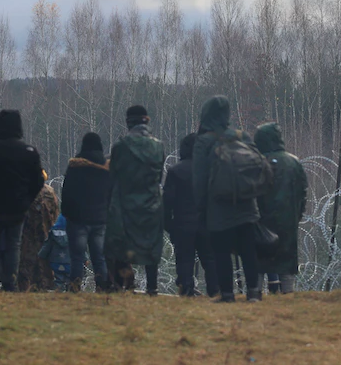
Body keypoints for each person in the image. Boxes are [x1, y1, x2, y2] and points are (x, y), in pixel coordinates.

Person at [193, 95, 263, 302]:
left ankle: (227, 294)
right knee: (249, 250)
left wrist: (201, 209)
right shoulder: (242, 137)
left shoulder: (204, 141)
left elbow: (199, 179)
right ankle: (254, 293)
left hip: (218, 206)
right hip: (246, 203)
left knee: (221, 252)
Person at [0, 109, 45, 292]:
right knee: (14, 246)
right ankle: (10, 282)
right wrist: (26, 200)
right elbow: (38, 181)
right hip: (16, 209)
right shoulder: (29, 152)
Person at [105, 105, 165, 295]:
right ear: (146, 121)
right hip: (151, 204)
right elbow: (159, 177)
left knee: (120, 245)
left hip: (124, 204)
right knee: (151, 246)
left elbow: (113, 177)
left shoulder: (121, 147)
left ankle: (121, 285)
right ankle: (152, 287)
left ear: (128, 122)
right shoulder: (158, 146)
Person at [254, 122, 308, 294]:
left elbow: (251, 192)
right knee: (286, 261)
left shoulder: (258, 162)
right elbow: (302, 192)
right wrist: (297, 215)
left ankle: (255, 294)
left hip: (261, 219)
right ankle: (288, 295)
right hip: (288, 220)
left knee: (259, 260)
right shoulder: (293, 162)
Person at [163, 132, 219, 297]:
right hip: (207, 222)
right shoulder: (210, 170)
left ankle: (186, 289)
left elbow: (167, 202)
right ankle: (214, 291)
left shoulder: (175, 171)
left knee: (184, 260)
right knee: (210, 259)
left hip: (183, 223)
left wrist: (169, 226)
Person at [61, 132, 111, 292]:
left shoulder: (75, 167)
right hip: (100, 220)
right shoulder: (106, 169)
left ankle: (74, 287)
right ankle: (102, 287)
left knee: (77, 258)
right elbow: (110, 194)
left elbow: (66, 193)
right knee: (99, 258)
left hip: (77, 220)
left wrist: (68, 214)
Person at [18, 175, 60, 291]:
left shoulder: (24, 192)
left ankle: (26, 290)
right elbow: (55, 214)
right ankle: (45, 289)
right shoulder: (50, 192)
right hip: (46, 235)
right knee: (45, 268)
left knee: (26, 268)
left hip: (27, 238)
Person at [38, 214, 71, 291]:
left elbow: (47, 246)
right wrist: (85, 258)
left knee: (59, 280)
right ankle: (71, 294)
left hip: (56, 262)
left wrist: (41, 255)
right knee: (70, 280)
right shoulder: (74, 234)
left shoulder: (53, 233)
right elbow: (80, 247)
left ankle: (58, 293)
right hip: (70, 262)